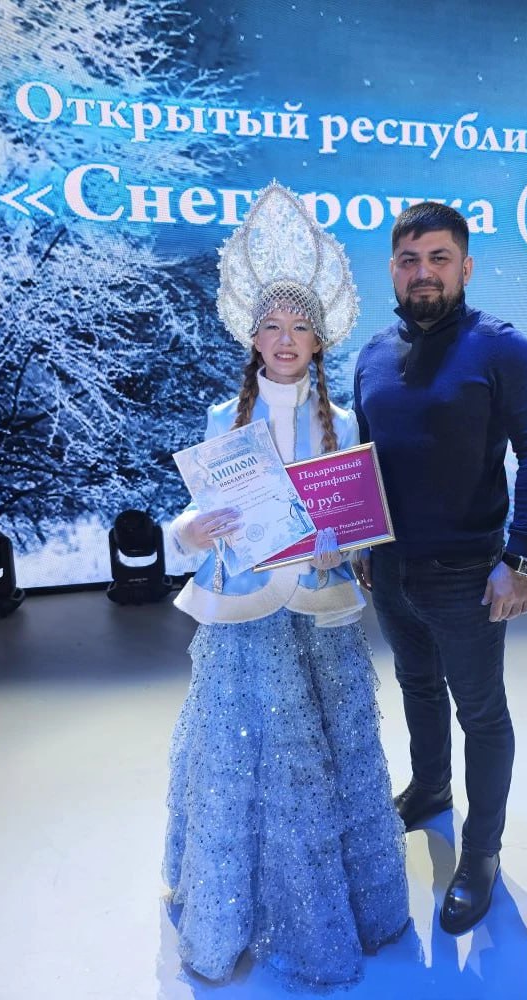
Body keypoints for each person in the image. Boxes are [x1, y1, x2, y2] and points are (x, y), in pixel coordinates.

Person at [163, 182, 409, 988]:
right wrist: (191, 531)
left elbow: (358, 515)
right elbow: (195, 512)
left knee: (323, 761)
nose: (285, 339)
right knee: (240, 760)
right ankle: (229, 913)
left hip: (318, 608)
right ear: (253, 335)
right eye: (272, 325)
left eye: (299, 326)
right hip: (243, 614)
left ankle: (336, 909)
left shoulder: (343, 423)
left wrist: (348, 540)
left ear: (319, 337)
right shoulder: (222, 420)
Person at [354, 201, 527, 936]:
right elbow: (365, 461)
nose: (424, 273)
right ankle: (431, 790)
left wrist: (521, 559)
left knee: (481, 713)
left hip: (468, 574)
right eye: (409, 260)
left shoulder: (502, 350)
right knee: (417, 687)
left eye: (439, 258)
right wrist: (362, 542)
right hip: (391, 569)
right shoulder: (372, 355)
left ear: (465, 266)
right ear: (392, 269)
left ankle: (480, 854)